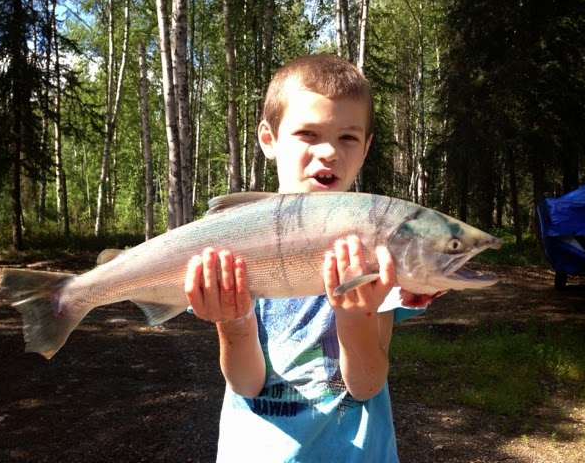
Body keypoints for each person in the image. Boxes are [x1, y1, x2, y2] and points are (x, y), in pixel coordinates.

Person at [184, 54, 430, 462]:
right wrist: (234, 321)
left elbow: (366, 385)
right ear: (269, 139)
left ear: (366, 148)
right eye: (307, 133)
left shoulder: (375, 248)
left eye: (348, 137)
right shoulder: (239, 247)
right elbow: (246, 384)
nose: (329, 151)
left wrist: (356, 316)